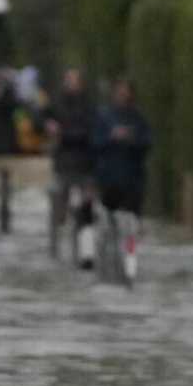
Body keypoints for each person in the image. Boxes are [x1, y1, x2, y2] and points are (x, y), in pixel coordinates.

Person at [44, 68, 98, 268]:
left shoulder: (89, 106)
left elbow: (89, 131)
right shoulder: (56, 103)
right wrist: (47, 125)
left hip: (85, 166)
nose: (71, 84)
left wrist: (63, 134)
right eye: (68, 80)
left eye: (75, 81)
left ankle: (85, 254)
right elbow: (40, 118)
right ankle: (55, 250)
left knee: (86, 211)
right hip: (63, 165)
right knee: (58, 207)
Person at [94, 79, 152, 217]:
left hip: (133, 178)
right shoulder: (104, 116)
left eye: (126, 92)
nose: (123, 95)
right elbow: (95, 143)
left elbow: (147, 142)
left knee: (131, 219)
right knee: (110, 217)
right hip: (109, 178)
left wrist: (131, 138)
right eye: (120, 92)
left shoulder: (139, 117)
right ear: (114, 93)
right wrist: (112, 137)